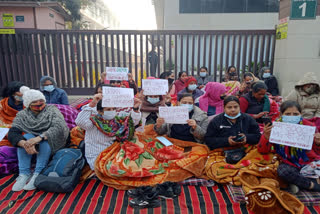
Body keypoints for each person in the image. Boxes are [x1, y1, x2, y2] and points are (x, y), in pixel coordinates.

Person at [204, 96, 274, 186]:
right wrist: (226, 141)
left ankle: (244, 173)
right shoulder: (216, 121)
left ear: (239, 107)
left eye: (235, 107)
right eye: (229, 107)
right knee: (215, 168)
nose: (233, 110)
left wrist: (246, 138)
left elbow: (257, 136)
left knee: (265, 158)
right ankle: (244, 175)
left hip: (246, 150)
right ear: (224, 108)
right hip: (223, 152)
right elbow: (209, 140)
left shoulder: (248, 119)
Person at [8, 89, 69, 191]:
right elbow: (13, 132)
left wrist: (39, 138)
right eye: (34, 102)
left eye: (41, 100)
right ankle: (24, 174)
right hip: (32, 142)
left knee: (43, 142)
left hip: (53, 140)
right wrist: (24, 144)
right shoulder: (22, 115)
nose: (39, 103)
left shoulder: (52, 110)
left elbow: (59, 127)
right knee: (25, 138)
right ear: (28, 104)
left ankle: (38, 173)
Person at [258, 100, 320, 193]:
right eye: (288, 114)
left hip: (308, 162)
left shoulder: (309, 127)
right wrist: (266, 137)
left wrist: (318, 143)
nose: (292, 117)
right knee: (283, 172)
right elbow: (263, 150)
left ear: (301, 114)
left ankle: (297, 183)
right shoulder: (275, 128)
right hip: (289, 163)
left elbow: (316, 152)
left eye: (295, 114)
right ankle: (311, 185)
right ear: (281, 114)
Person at [75, 93, 142, 170]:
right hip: (96, 157)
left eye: (113, 109)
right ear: (100, 111)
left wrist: (136, 109)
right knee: (117, 170)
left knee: (135, 165)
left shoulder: (116, 122)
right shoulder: (94, 122)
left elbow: (132, 123)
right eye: (108, 109)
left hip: (113, 154)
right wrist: (92, 104)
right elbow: (80, 122)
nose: (112, 111)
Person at [0, 82, 29, 146]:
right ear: (13, 93)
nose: (23, 94)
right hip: (6, 131)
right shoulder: (2, 105)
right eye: (20, 91)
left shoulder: (28, 103)